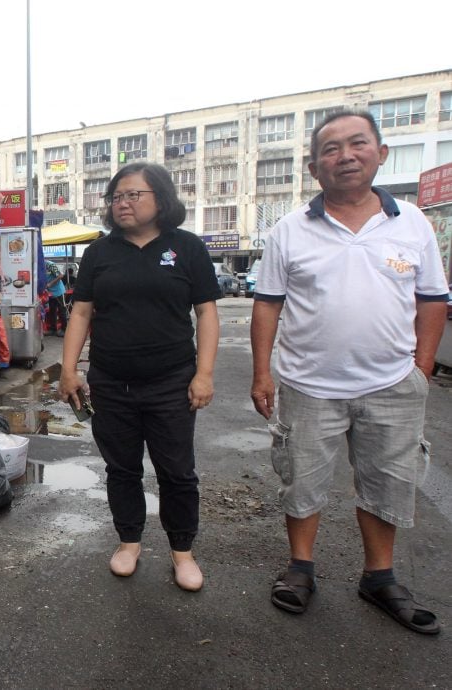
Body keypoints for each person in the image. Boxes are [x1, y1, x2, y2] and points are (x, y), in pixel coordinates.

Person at [250, 110, 448, 634]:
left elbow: (432, 298)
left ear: (380, 153)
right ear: (316, 168)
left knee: (389, 482)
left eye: (357, 143)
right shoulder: (292, 229)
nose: (346, 155)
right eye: (331, 149)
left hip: (391, 384)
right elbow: (267, 304)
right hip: (309, 384)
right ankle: (300, 568)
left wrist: (423, 365)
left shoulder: (412, 222)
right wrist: (262, 374)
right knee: (301, 479)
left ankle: (380, 578)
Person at [58, 162, 220, 592]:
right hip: (112, 383)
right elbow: (81, 312)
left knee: (177, 471)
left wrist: (204, 374)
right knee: (122, 468)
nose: (122, 203)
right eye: (116, 196)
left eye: (133, 194)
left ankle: (182, 551)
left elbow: (206, 312)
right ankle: (128, 542)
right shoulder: (100, 252)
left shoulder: (186, 247)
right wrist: (69, 370)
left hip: (172, 381)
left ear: (161, 199)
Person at [44, 259, 68, 336]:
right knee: (52, 311)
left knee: (62, 311)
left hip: (59, 292)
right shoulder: (39, 266)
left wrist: (50, 284)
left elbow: (60, 275)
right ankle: (53, 329)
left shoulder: (50, 264)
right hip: (50, 293)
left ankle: (65, 330)